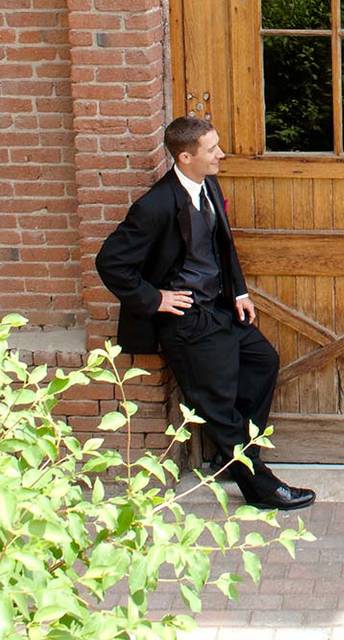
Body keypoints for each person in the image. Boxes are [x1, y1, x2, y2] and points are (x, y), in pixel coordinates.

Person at [96, 116, 316, 511]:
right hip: (187, 321)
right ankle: (260, 488)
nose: (220, 154)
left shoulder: (208, 186)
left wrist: (239, 291)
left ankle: (233, 458)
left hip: (220, 307)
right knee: (218, 405)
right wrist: (154, 298)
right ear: (185, 157)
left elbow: (222, 247)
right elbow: (110, 262)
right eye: (212, 149)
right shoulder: (155, 206)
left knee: (262, 361)